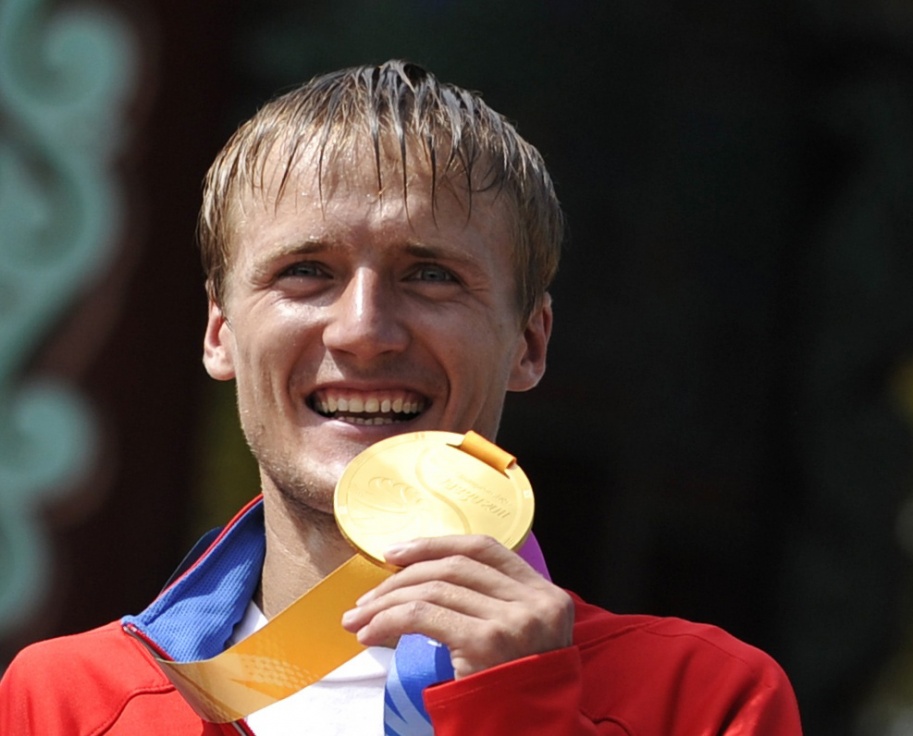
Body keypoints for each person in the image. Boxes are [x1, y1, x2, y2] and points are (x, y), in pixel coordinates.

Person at [0, 59, 802, 735]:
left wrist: (520, 714)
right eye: (305, 272)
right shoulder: (63, 704)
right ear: (220, 334)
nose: (364, 331)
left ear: (529, 342)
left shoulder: (701, 698)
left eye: (430, 275)